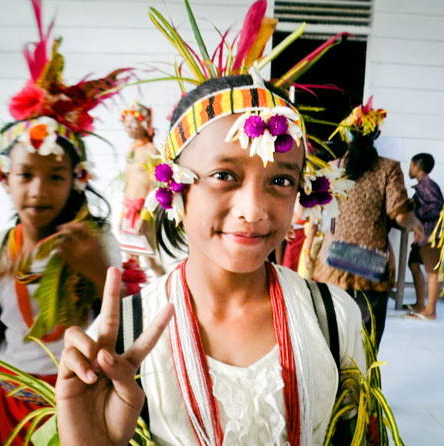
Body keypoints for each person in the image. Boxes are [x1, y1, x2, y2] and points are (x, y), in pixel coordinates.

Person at [53, 3, 368, 444]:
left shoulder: (334, 317)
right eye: (225, 176)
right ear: (175, 191)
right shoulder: (122, 338)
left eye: (280, 180)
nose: (253, 210)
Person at [0, 2, 127, 444]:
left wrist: (97, 269)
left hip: (78, 404)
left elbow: (127, 323)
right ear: (4, 179)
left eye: (55, 176)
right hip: (13, 407)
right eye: (25, 175)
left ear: (76, 180)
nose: (38, 191)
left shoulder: (96, 242)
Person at [311, 97, 425, 348]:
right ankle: (364, 385)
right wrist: (417, 224)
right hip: (370, 266)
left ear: (347, 135)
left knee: (333, 333)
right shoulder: (388, 168)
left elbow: (316, 216)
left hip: (332, 264)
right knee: (368, 336)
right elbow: (399, 214)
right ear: (376, 134)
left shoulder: (332, 168)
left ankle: (335, 384)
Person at [119, 101, 165, 276]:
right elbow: (128, 184)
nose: (129, 127)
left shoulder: (151, 151)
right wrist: (122, 215)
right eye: (127, 123)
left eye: (134, 122)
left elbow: (156, 185)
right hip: (129, 211)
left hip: (142, 212)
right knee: (130, 261)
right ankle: (135, 294)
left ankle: (167, 295)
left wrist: (145, 216)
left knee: (150, 259)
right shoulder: (131, 152)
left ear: (144, 124)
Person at [406, 153, 444, 320]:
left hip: (432, 236)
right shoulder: (423, 185)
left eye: (411, 165)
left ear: (418, 167)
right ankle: (420, 303)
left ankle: (431, 311)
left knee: (432, 272)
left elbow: (438, 208)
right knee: (413, 264)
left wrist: (416, 214)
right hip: (423, 236)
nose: (410, 169)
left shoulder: (427, 186)